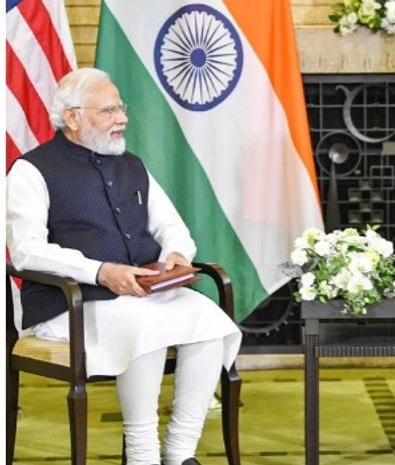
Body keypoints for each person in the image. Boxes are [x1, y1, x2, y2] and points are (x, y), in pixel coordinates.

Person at [6, 68, 243, 465]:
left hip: (138, 293)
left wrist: (177, 254)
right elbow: (26, 250)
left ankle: (180, 454)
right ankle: (142, 455)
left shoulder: (131, 163)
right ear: (73, 117)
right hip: (67, 303)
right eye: (110, 110)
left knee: (209, 320)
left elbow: (171, 226)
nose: (123, 118)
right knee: (143, 326)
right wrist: (100, 271)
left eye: (122, 108)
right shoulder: (31, 170)